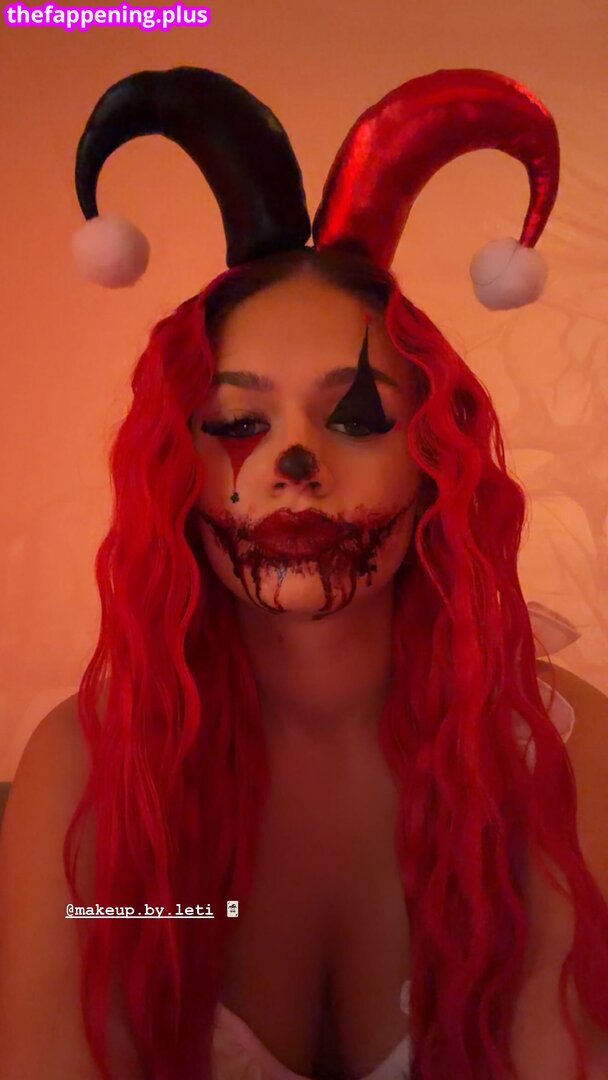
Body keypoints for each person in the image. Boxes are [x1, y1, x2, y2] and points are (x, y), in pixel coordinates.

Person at [1, 67, 608, 1080]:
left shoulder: (561, 751)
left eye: (356, 415)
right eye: (238, 420)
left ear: (435, 456)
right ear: (174, 466)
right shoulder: (86, 769)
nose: (294, 464)